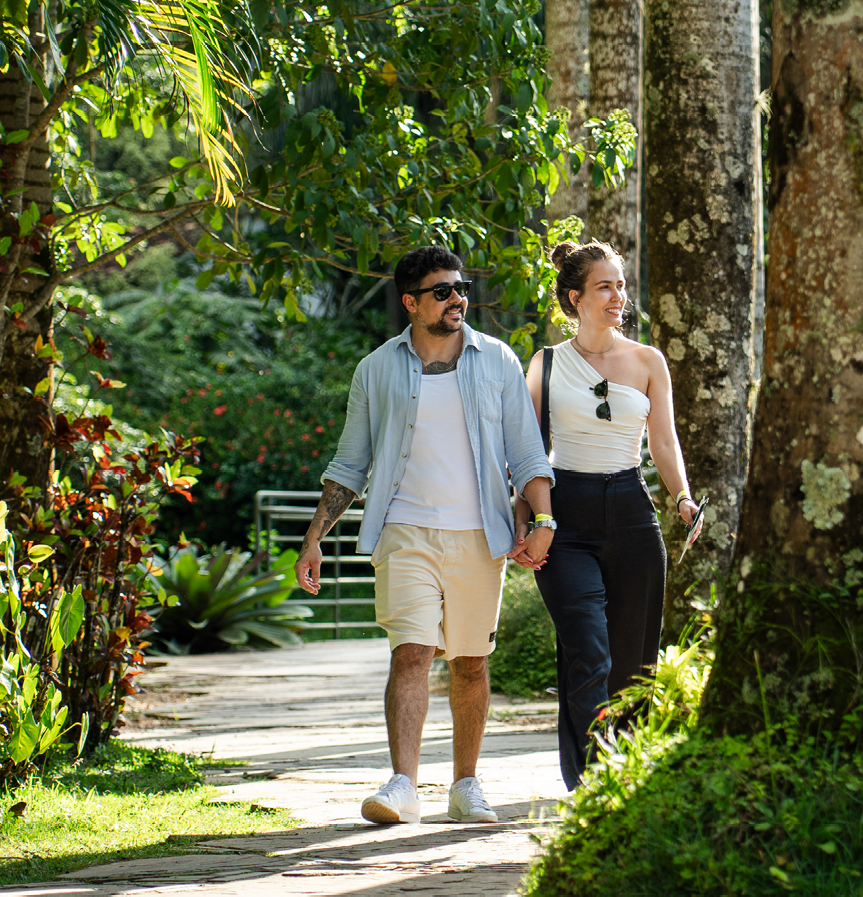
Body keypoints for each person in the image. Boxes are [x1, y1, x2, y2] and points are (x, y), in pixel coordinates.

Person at [295, 246, 556, 825]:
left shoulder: (499, 361)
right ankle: (402, 786)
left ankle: (466, 785)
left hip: (479, 534)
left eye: (460, 288)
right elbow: (349, 463)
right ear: (412, 303)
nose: (457, 298)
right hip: (404, 530)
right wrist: (315, 536)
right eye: (442, 291)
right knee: (410, 652)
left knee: (470, 662)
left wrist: (544, 520)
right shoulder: (376, 369)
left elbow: (527, 451)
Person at [515, 239, 702, 789]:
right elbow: (528, 450)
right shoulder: (546, 364)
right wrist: (527, 521)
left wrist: (684, 498)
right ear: (575, 297)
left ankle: (631, 776)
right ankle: (591, 781)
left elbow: (663, 444)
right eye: (605, 286)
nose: (619, 295)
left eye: (621, 284)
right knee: (587, 652)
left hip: (631, 513)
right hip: (565, 516)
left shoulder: (648, 361)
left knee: (632, 665)